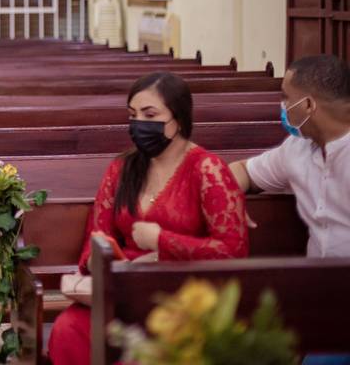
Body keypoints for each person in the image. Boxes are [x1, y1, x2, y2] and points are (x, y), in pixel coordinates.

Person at [48, 72, 248, 365]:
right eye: (133, 115)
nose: (139, 123)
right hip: (124, 290)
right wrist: (97, 259)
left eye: (150, 114)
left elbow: (233, 251)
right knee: (69, 328)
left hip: (183, 296)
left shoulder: (208, 170)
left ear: (178, 118)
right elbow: (98, 232)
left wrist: (161, 240)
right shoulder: (122, 168)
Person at [230, 55, 350, 259]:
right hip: (314, 281)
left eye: (286, 98)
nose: (282, 106)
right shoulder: (296, 148)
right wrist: (227, 197)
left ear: (308, 105)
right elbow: (243, 171)